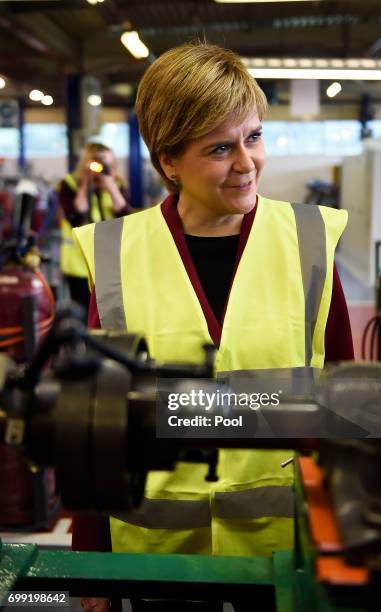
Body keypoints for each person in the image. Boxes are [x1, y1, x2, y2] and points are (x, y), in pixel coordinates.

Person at [73, 43, 354, 611]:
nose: (247, 163)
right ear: (168, 161)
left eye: (253, 137)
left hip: (283, 550)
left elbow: (352, 402)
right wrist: (91, 564)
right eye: (220, 148)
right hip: (159, 553)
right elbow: (91, 421)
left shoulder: (308, 242)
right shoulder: (117, 253)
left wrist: (349, 545)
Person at [57, 142, 132, 312]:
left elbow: (127, 217)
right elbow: (76, 216)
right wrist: (86, 183)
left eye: (108, 164)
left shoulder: (117, 184)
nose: (102, 168)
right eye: (98, 163)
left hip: (110, 263)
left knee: (111, 313)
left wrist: (111, 186)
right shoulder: (70, 184)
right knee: (83, 311)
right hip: (79, 265)